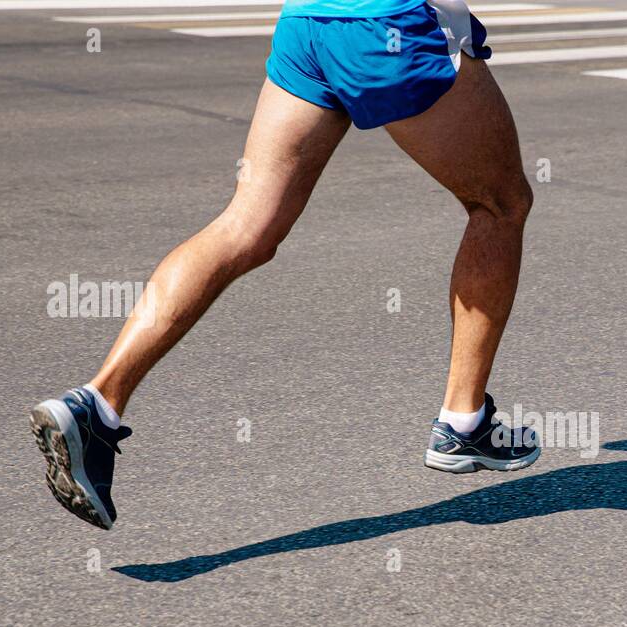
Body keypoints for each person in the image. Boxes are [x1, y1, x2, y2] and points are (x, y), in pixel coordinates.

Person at [30, 0, 539, 531]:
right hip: (388, 22)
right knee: (501, 205)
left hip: (307, 24)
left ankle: (97, 405)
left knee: (246, 226)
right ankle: (464, 420)